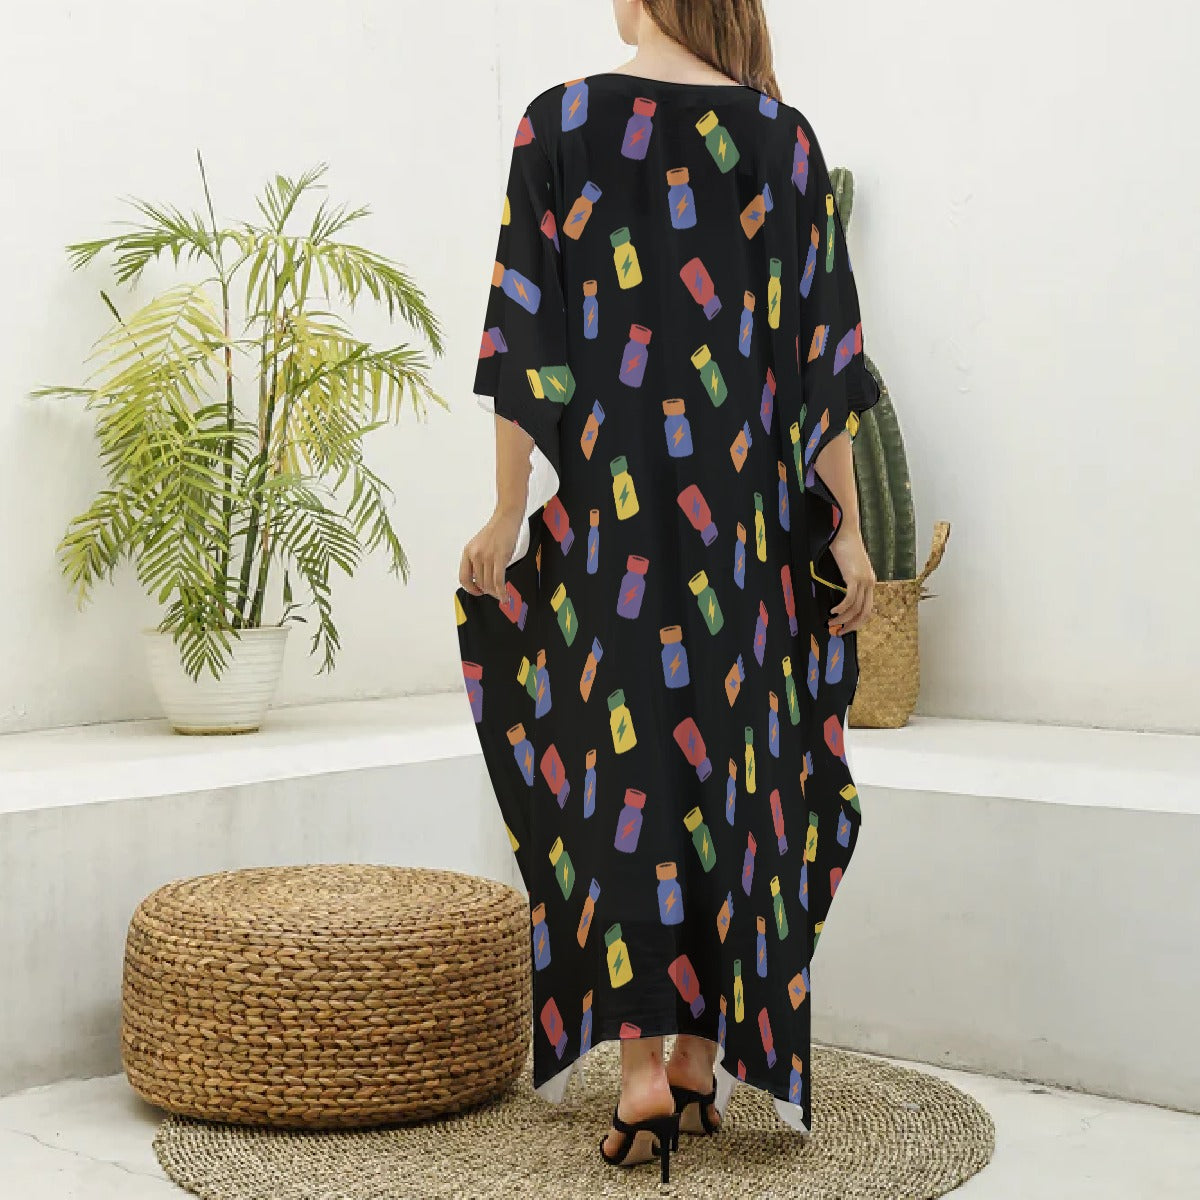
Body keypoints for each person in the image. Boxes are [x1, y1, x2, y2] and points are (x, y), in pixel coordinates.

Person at [455, 0, 878, 1183]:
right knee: (740, 774)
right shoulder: (783, 140)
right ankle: (698, 1062)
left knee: (623, 776)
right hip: (744, 536)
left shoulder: (558, 125)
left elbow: (526, 343)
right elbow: (825, 359)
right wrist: (845, 532)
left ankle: (643, 1073)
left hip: (614, 530)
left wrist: (507, 511)